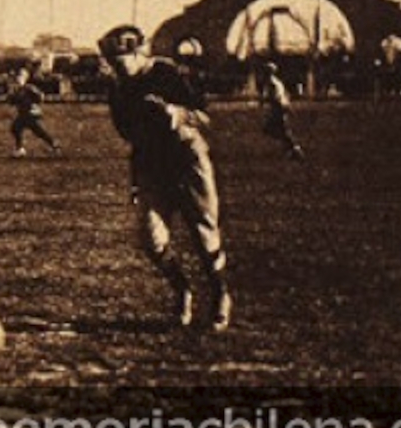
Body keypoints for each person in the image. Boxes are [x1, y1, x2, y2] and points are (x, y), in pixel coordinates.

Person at [97, 24, 231, 331]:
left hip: (186, 157)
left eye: (119, 61)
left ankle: (220, 294)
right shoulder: (118, 91)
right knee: (151, 238)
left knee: (203, 233)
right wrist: (135, 179)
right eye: (112, 62)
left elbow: (206, 117)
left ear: (137, 52)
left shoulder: (166, 74)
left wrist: (176, 113)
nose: (116, 68)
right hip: (152, 164)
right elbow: (133, 137)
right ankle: (182, 290)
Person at [8, 68, 61, 157]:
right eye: (17, 77)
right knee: (36, 130)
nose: (18, 79)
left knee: (17, 128)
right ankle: (54, 144)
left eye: (20, 77)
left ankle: (20, 149)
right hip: (24, 113)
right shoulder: (16, 90)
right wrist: (11, 96)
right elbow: (11, 102)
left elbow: (40, 96)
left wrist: (34, 104)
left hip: (30, 113)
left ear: (25, 78)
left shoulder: (29, 88)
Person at [259, 62, 305, 161]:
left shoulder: (272, 83)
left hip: (278, 108)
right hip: (280, 107)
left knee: (278, 130)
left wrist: (264, 101)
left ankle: (295, 150)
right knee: (276, 130)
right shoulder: (275, 82)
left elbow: (275, 97)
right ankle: (291, 149)